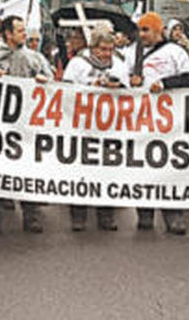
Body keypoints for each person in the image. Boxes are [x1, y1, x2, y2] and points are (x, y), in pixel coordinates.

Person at [0, 15, 54, 234]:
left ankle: (30, 216)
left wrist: (44, 82)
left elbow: (53, 81)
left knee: (26, 171)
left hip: (26, 126)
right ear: (8, 34)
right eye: (20, 30)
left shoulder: (35, 59)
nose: (25, 34)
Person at [130, 12, 189, 234]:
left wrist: (165, 83)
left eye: (146, 30)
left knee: (170, 167)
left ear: (158, 30)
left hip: (170, 121)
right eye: (140, 30)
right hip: (142, 119)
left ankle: (173, 215)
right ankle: (145, 213)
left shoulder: (175, 52)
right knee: (143, 167)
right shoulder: (133, 53)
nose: (142, 35)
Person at [61, 25, 128, 232]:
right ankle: (78, 216)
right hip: (83, 127)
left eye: (110, 49)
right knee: (81, 171)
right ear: (93, 48)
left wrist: (119, 87)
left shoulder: (119, 64)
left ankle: (105, 215)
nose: (107, 54)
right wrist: (94, 86)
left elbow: (129, 92)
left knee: (107, 172)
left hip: (110, 128)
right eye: (103, 50)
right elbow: (66, 91)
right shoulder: (77, 64)